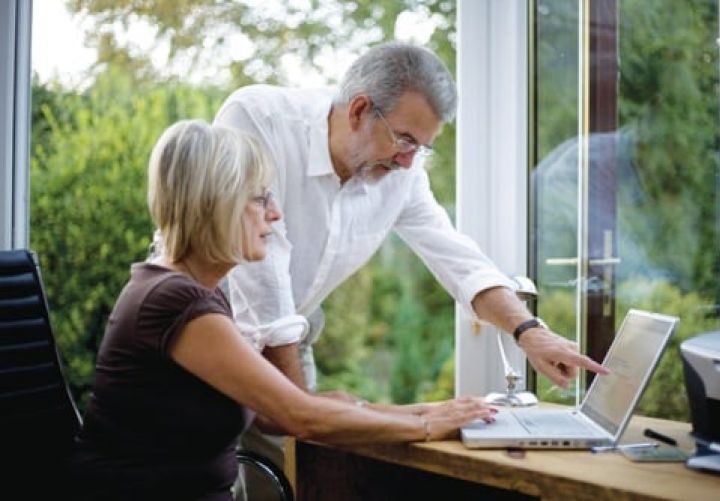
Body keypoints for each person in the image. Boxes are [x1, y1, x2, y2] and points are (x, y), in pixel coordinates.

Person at [212, 41, 608, 496]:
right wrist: (306, 410)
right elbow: (263, 277)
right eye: (404, 139)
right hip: (214, 327)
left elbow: (454, 255)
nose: (408, 159)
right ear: (359, 110)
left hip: (290, 333)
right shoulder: (260, 119)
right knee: (230, 468)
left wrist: (529, 331)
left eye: (421, 147)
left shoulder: (401, 173)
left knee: (295, 477)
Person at [70, 120, 495, 500]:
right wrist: (424, 427)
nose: (274, 214)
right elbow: (296, 416)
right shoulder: (175, 302)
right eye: (259, 199)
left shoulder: (191, 292)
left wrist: (421, 411)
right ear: (216, 204)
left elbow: (274, 413)